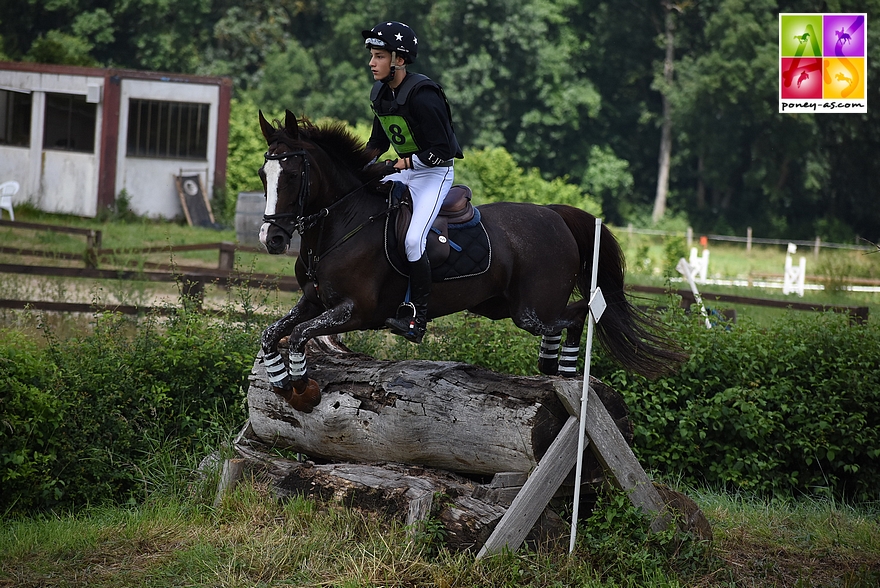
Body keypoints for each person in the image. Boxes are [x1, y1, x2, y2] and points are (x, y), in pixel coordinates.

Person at [362, 21, 463, 343]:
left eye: (379, 56)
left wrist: (406, 162)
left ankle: (417, 319)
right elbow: (378, 141)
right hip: (405, 171)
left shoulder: (424, 96)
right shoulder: (380, 93)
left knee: (412, 240)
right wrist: (358, 166)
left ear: (399, 60)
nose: (371, 63)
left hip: (435, 174)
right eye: (372, 56)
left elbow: (444, 149)